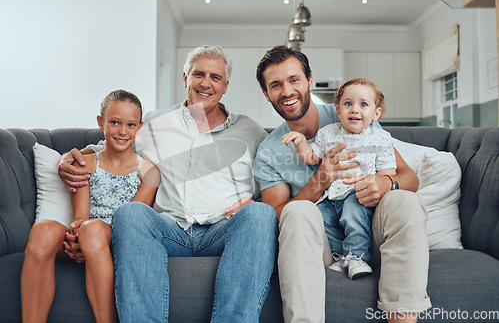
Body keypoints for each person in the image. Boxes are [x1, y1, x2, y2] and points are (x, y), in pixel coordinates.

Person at [58, 45, 278, 322]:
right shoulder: (153, 123)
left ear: (225, 86)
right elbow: (108, 147)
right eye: (198, 74)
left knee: (261, 214)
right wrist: (67, 158)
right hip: (168, 229)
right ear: (185, 78)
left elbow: (274, 178)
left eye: (215, 77)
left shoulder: (251, 132)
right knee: (131, 213)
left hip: (222, 230)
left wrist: (253, 202)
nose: (206, 83)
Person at [254, 45, 431, 323]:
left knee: (405, 199)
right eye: (276, 85)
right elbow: (272, 216)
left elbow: (409, 178)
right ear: (266, 94)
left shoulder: (353, 111)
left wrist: (386, 185)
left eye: (294, 80)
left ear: (309, 81)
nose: (287, 91)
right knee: (297, 211)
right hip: (320, 243)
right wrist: (319, 182)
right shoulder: (269, 150)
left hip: (370, 228)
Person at [21, 90, 159, 323]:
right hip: (84, 234)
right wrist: (77, 237)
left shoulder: (149, 172)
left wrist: (88, 236)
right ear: (100, 122)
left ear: (140, 127)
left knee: (93, 230)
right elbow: (80, 216)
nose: (122, 131)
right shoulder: (86, 163)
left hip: (114, 238)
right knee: (42, 231)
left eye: (130, 124)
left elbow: (131, 223)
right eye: (114, 122)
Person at [281, 78, 397, 280]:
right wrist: (300, 142)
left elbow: (388, 172)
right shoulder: (328, 133)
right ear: (338, 110)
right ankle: (341, 257)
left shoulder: (381, 138)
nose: (354, 109)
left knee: (353, 215)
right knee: (320, 219)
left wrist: (378, 186)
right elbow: (311, 157)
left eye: (363, 104)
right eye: (348, 104)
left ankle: (357, 256)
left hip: (358, 193)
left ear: (376, 113)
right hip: (330, 196)